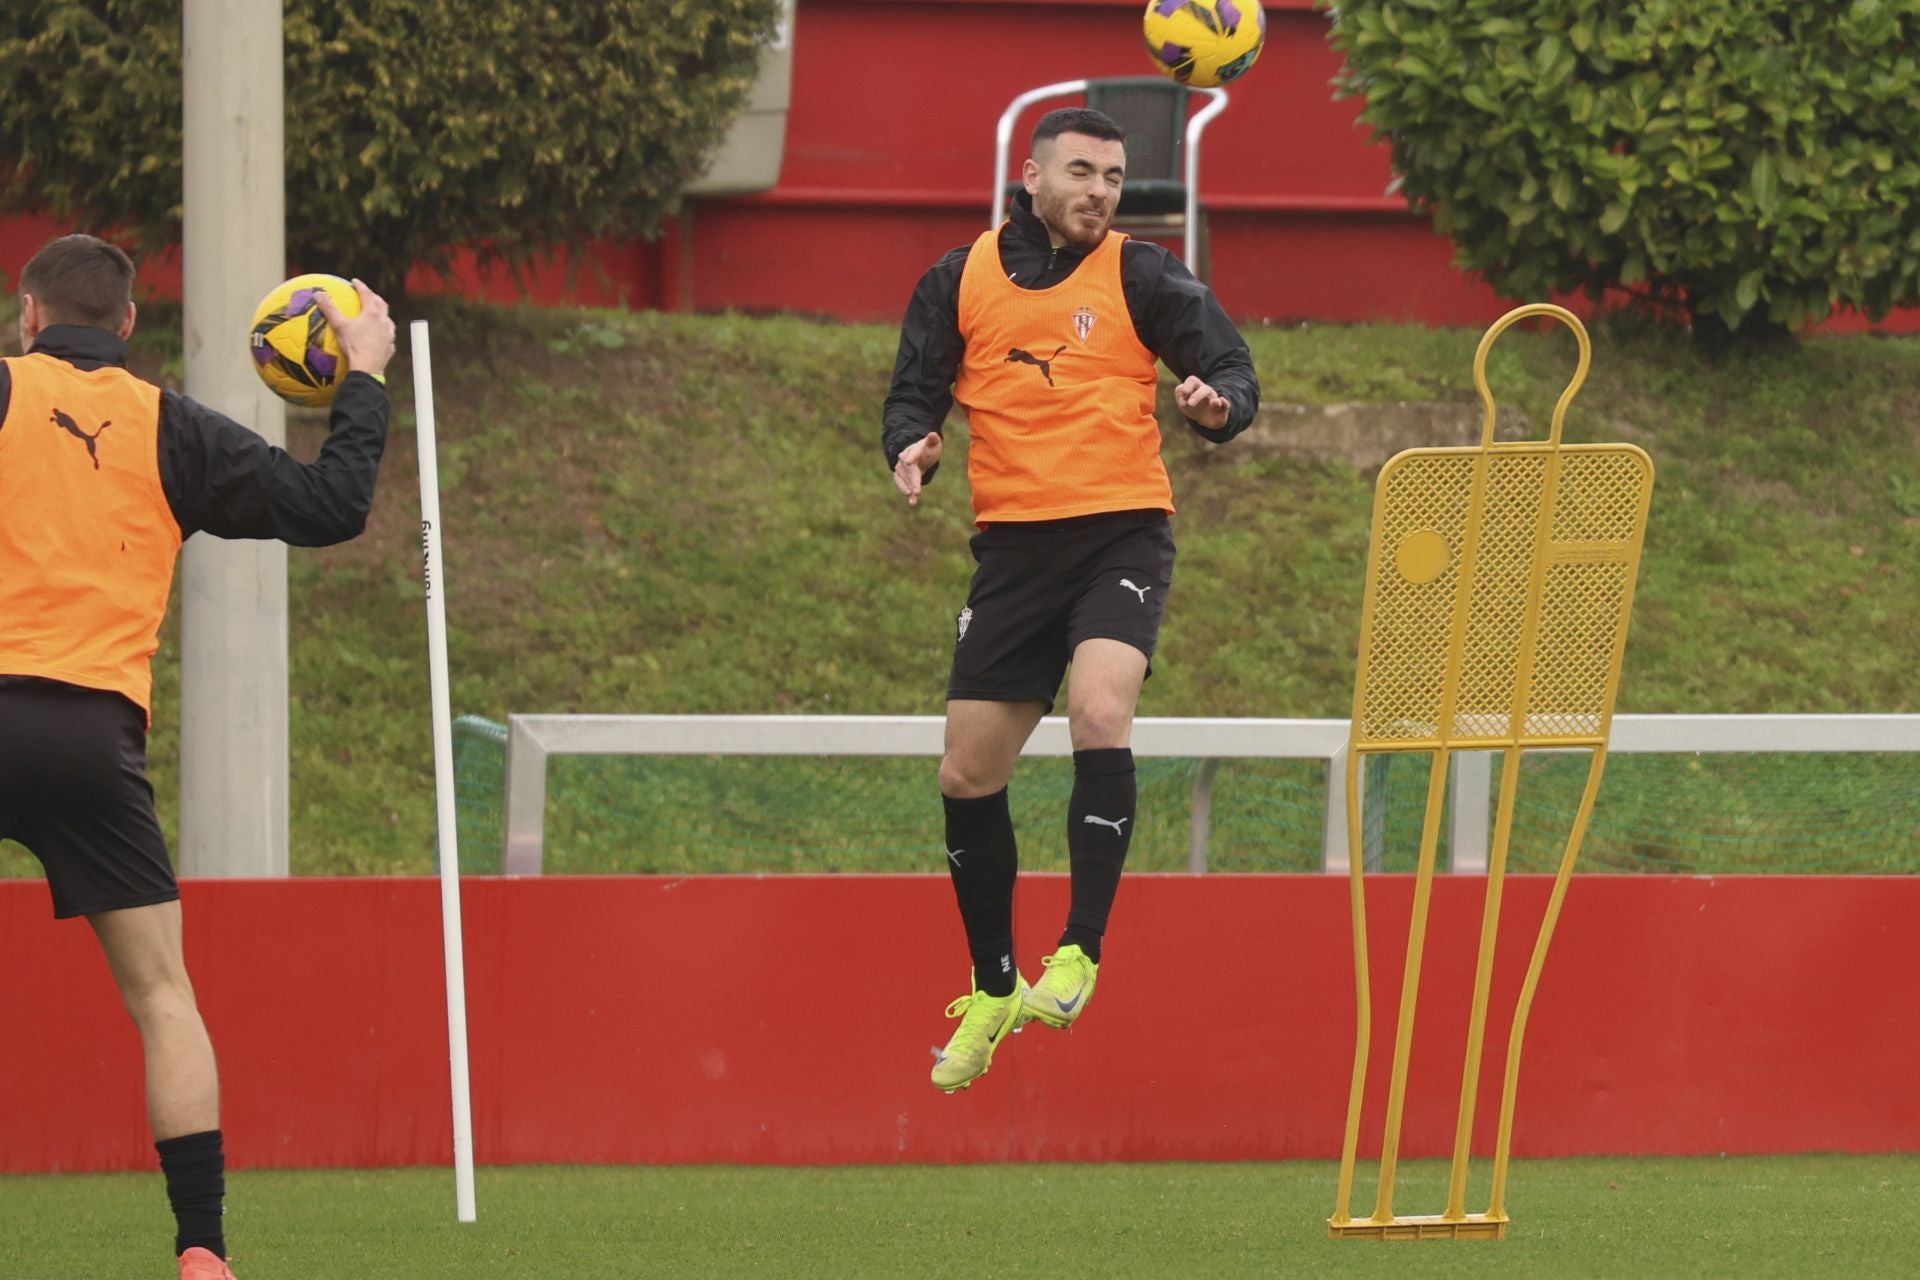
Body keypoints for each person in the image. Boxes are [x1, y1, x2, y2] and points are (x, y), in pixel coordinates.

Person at [0, 235, 395, 1279]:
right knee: (163, 997)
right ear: (128, 327)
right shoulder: (169, 426)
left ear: (29, 315)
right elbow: (331, 505)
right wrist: (362, 374)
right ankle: (203, 1249)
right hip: (92, 737)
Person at [882, 108, 1260, 1092]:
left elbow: (1228, 364)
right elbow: (912, 394)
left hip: (1119, 533)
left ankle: (1079, 951)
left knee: (1100, 708)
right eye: (1083, 171)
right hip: (1012, 552)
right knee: (967, 774)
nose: (1101, 190)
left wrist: (1218, 404)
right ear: (1033, 174)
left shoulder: (1141, 271)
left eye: (1115, 175)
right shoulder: (955, 278)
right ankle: (993, 983)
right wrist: (911, 444)